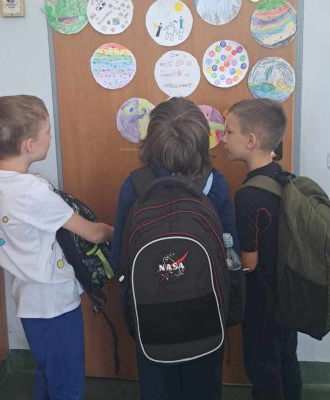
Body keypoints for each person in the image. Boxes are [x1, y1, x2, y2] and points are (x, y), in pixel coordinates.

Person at [0, 95, 113, 400]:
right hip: (54, 301)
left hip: (28, 297)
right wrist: (124, 232)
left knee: (48, 371)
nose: (51, 137)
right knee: (67, 382)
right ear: (29, 145)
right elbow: (93, 233)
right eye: (48, 131)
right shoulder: (32, 193)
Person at [110, 97, 239, 400]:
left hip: (151, 315)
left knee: (157, 387)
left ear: (151, 140)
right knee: (203, 388)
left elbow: (119, 258)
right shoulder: (215, 184)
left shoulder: (134, 185)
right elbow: (231, 251)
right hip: (206, 312)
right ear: (202, 141)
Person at [222, 98, 302, 400]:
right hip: (289, 292)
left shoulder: (248, 195)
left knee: (263, 367)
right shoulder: (286, 178)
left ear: (251, 140)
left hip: (261, 300)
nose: (223, 139)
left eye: (229, 131)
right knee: (286, 359)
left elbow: (249, 263)